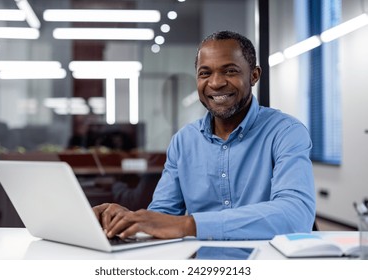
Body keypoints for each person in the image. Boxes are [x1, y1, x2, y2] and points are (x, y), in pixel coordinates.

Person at [93, 30, 316, 241]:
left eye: (230, 71)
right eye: (205, 73)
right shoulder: (184, 141)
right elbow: (162, 215)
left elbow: (295, 215)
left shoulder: (286, 132)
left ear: (254, 75)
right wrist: (131, 220)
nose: (216, 82)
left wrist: (190, 225)